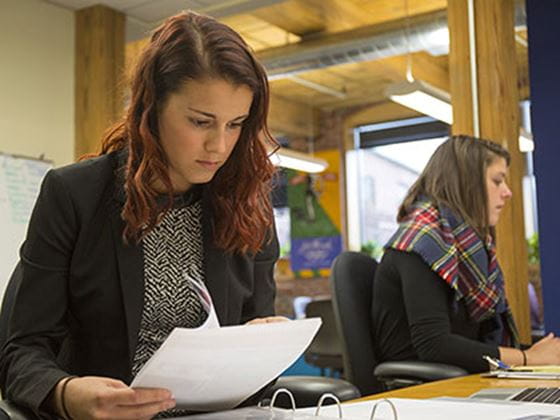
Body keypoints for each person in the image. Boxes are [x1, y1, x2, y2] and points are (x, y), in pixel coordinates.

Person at [0, 10, 285, 419]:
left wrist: (263, 349)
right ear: (150, 108)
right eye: (200, 122)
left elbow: (257, 346)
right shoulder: (75, 195)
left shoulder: (247, 204)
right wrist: (65, 394)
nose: (219, 146)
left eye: (235, 124)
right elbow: (21, 352)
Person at [371, 135, 560, 373]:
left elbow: (476, 342)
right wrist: (527, 357)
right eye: (497, 181)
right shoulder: (420, 242)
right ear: (466, 183)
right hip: (421, 391)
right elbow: (434, 345)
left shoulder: (464, 246)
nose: (507, 192)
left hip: (456, 379)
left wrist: (540, 354)